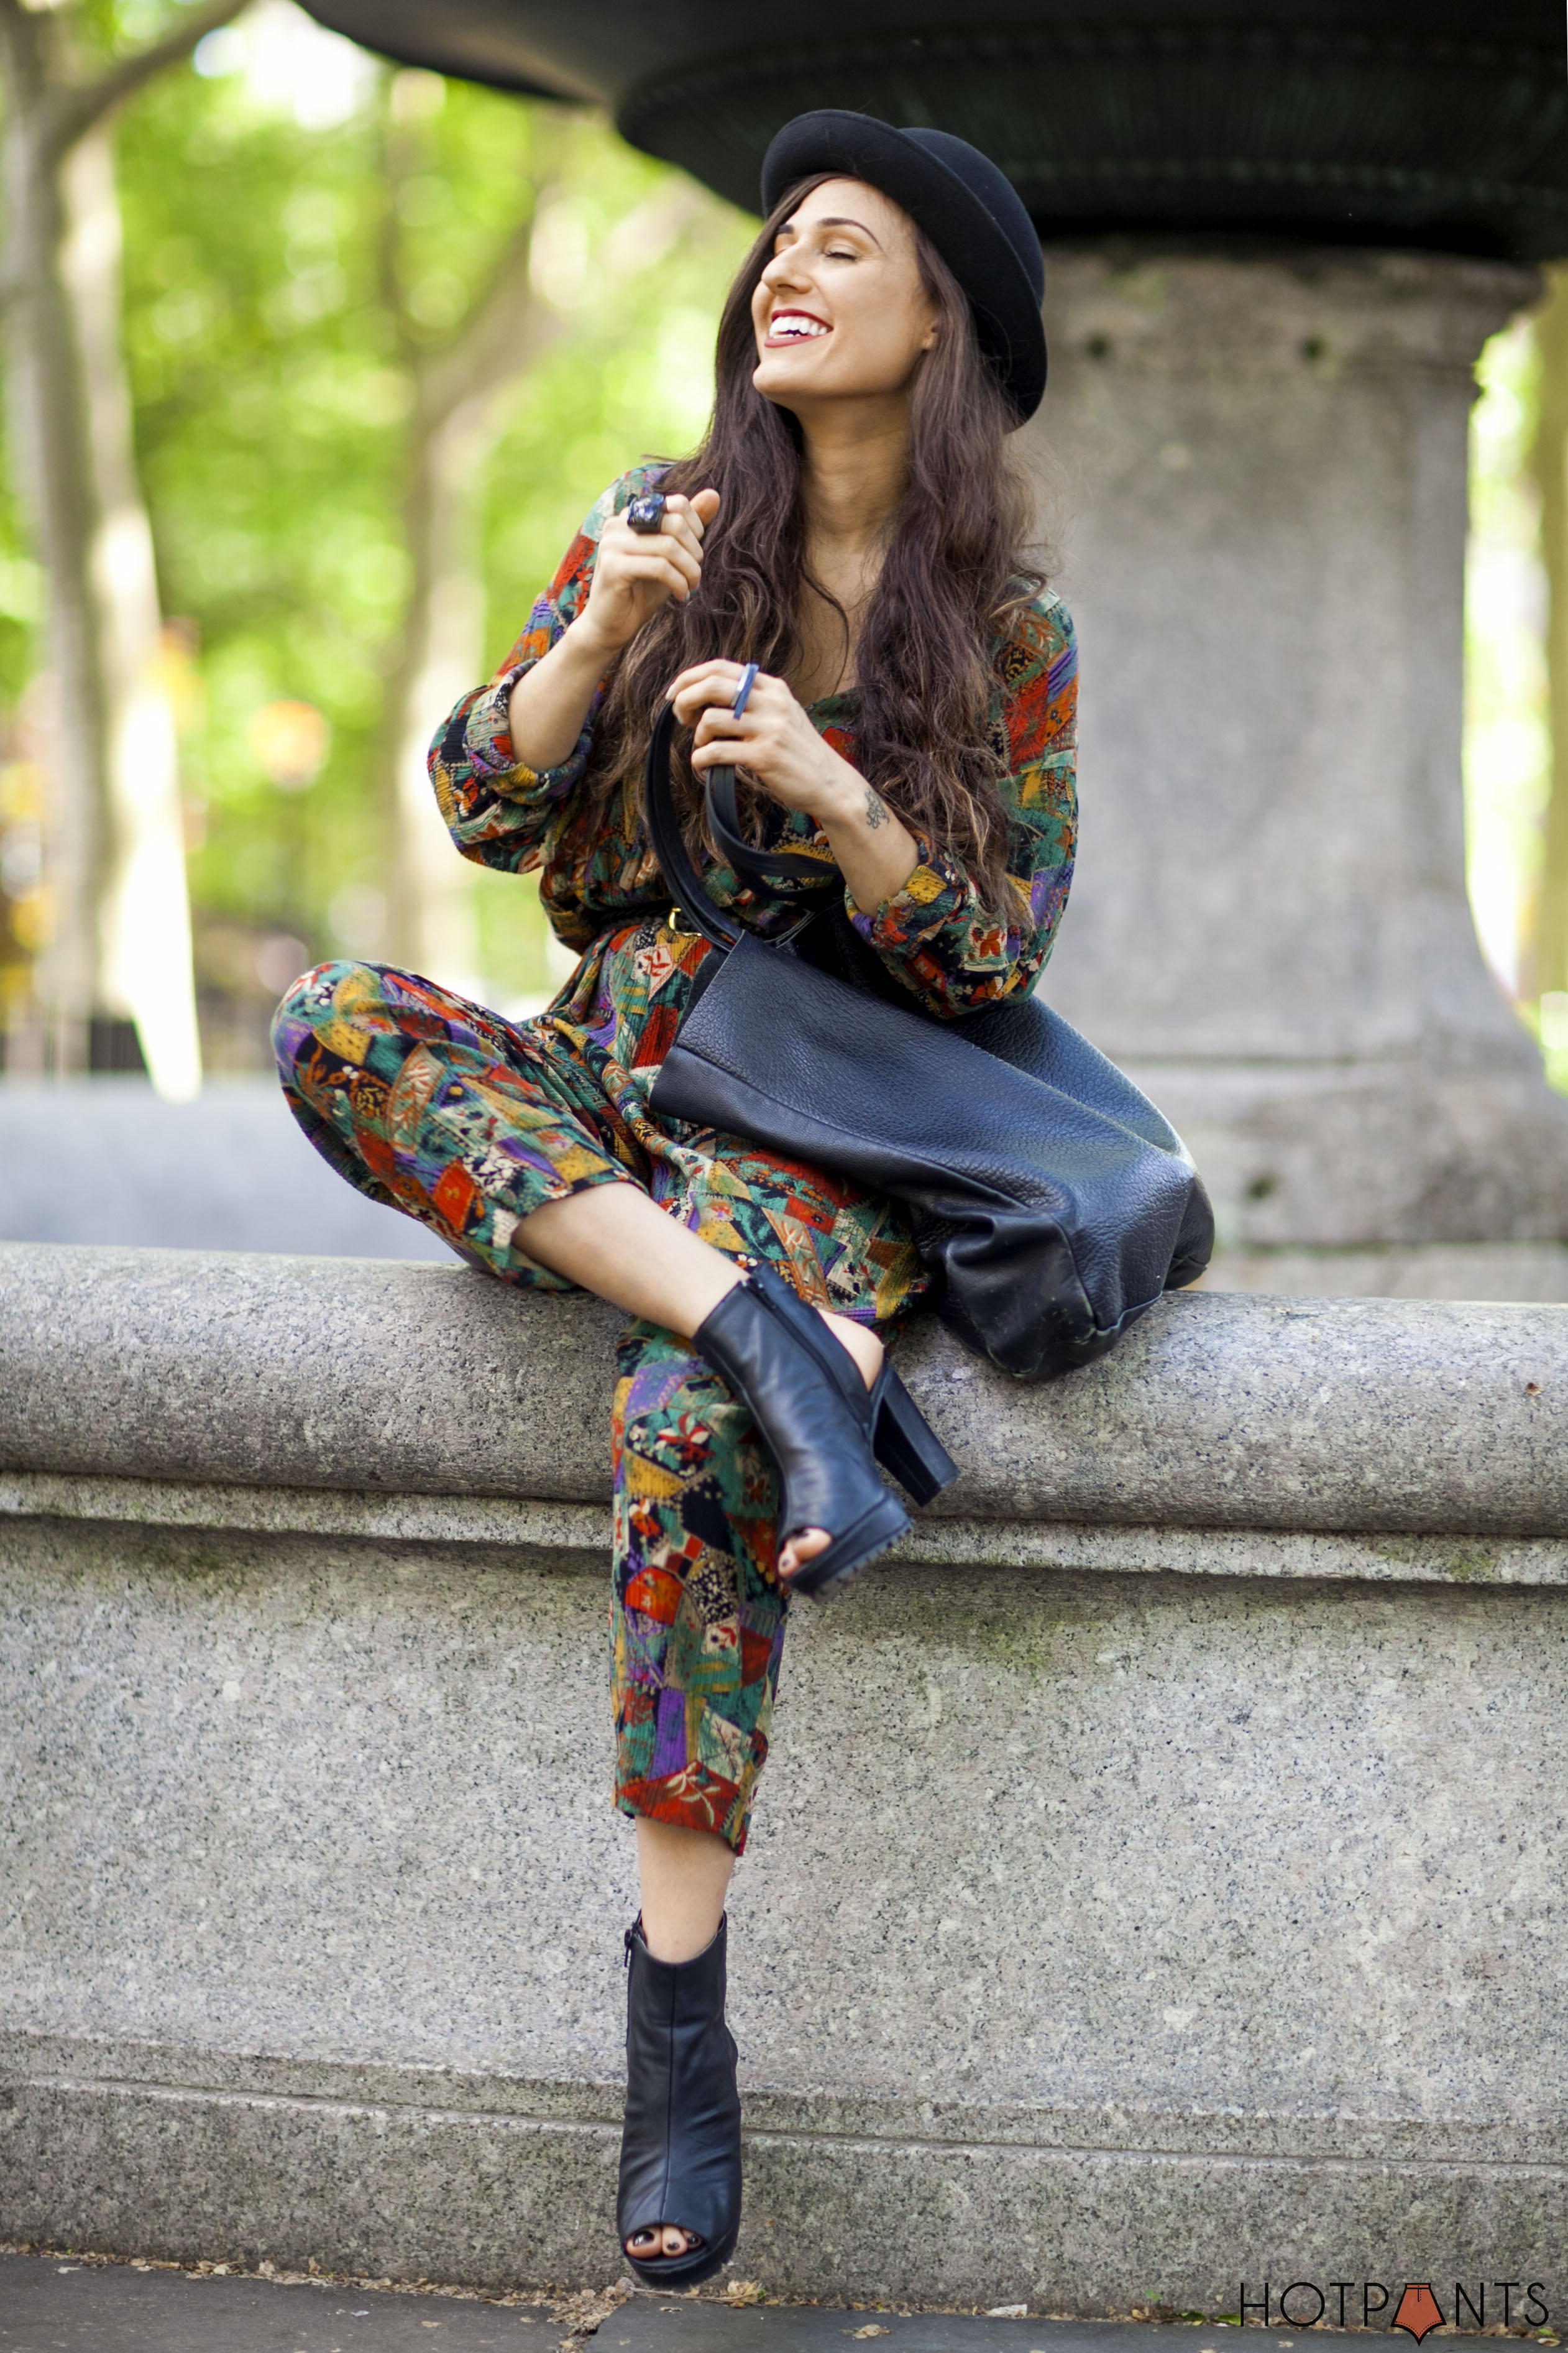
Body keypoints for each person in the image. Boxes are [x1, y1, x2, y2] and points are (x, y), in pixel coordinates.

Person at [271, 109, 1076, 2287]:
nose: (783, 275)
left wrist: (845, 799)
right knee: (338, 1024)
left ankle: (676, 2035)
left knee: (670, 1430)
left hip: (821, 1135)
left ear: (940, 330)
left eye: (844, 250)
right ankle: (750, 1330)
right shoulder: (663, 527)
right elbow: (477, 795)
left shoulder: (1004, 630)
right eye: (777, 245)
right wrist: (598, 631)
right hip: (604, 1072)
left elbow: (998, 961)